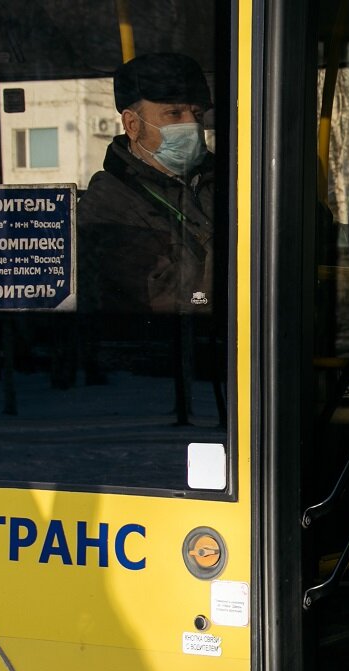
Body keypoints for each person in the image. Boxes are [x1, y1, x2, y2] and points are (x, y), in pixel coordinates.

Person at [77, 52, 219, 421]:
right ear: (132, 124)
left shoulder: (231, 178)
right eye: (174, 114)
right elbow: (170, 296)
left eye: (197, 114)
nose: (191, 125)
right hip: (156, 392)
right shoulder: (109, 202)